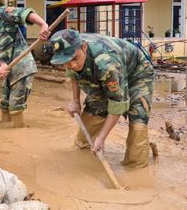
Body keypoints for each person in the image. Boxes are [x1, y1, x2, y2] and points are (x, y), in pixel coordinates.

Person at [49, 29, 154, 168]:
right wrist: (75, 101)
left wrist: (102, 137)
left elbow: (117, 103)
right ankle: (88, 166)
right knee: (83, 142)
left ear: (84, 47)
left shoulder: (107, 64)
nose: (72, 65)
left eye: (75, 59)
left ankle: (136, 169)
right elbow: (73, 72)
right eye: (66, 61)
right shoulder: (71, 52)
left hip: (137, 74)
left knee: (138, 124)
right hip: (103, 72)